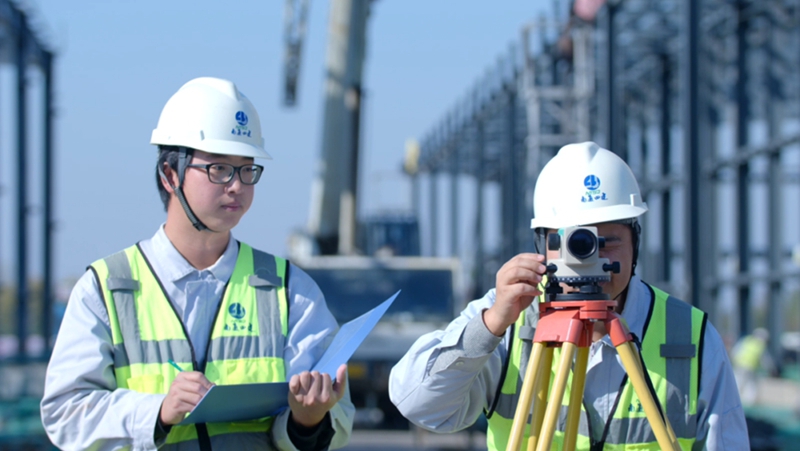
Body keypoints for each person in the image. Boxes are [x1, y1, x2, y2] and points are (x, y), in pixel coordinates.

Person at [41, 77, 355, 450]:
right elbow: (65, 413)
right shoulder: (106, 289)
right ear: (170, 174)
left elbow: (337, 419)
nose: (236, 185)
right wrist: (156, 412)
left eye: (246, 169)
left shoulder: (290, 291)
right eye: (219, 169)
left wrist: (308, 421)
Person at [389, 142, 749, 450]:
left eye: (605, 242)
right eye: (573, 242)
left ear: (635, 242)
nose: (589, 256)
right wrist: (491, 324)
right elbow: (419, 404)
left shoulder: (687, 333)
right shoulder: (507, 318)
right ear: (541, 245)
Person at [731, 327, 775, 405]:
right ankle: (749, 403)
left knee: (738, 382)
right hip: (750, 367)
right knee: (751, 385)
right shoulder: (760, 345)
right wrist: (771, 369)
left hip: (739, 365)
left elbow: (735, 351)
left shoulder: (746, 340)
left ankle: (733, 400)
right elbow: (765, 360)